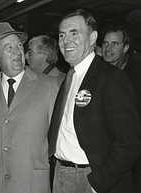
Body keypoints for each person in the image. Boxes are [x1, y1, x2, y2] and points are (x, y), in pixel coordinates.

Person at [48, 9, 141, 193]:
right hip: (60, 172)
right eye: (62, 35)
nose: (66, 41)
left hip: (89, 178)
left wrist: (98, 183)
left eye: (74, 33)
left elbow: (128, 143)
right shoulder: (70, 78)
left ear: (92, 38)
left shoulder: (111, 78)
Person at [0, 22, 59, 193]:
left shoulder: (49, 86)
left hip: (33, 183)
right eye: (9, 47)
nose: (17, 51)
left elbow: (58, 139)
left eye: (19, 46)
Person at [101, 24, 141, 192]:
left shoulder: (134, 75)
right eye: (104, 43)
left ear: (125, 48)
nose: (108, 49)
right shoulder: (106, 71)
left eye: (114, 44)